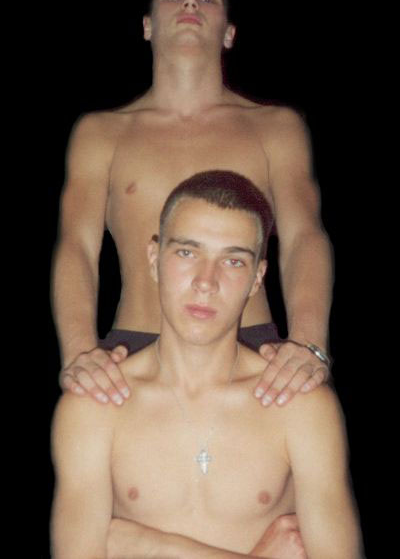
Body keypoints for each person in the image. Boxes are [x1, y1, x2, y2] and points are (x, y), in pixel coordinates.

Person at [52, 0, 334, 409]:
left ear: (229, 33)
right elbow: (77, 247)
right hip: (131, 356)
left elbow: (304, 235)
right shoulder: (101, 133)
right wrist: (79, 352)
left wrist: (308, 344)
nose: (189, 1)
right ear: (147, 26)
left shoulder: (275, 128)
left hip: (256, 355)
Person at [51, 171, 362, 559]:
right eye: (187, 253)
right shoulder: (95, 407)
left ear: (256, 279)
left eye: (233, 261)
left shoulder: (300, 407)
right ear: (154, 259)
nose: (206, 282)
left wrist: (148, 546)